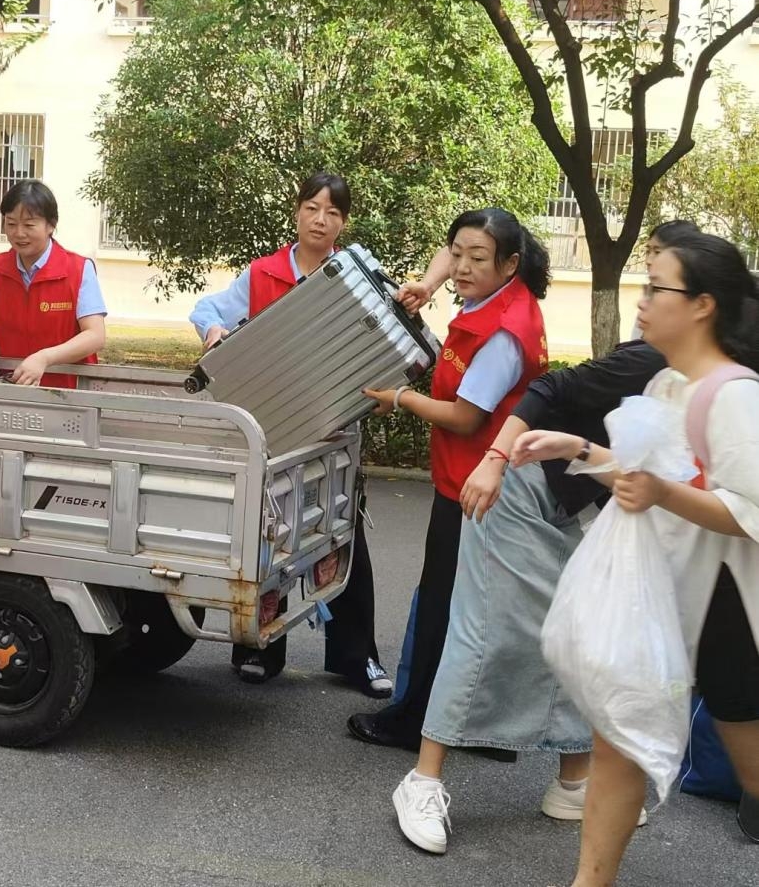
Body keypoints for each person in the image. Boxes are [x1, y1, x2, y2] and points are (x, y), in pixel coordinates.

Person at [512, 232, 759, 887]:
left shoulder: (733, 395)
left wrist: (659, 491)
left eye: (655, 288)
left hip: (729, 615)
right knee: (614, 743)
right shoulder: (666, 380)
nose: (642, 300)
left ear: (701, 304)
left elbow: (747, 511)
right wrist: (576, 449)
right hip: (671, 599)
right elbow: (644, 475)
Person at [387, 331, 666, 854]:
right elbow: (551, 388)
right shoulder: (655, 358)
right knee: (489, 629)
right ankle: (422, 781)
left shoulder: (711, 387)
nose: (646, 304)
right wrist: (493, 460)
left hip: (575, 502)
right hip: (518, 485)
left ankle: (573, 784)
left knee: (575, 636)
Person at [349, 208, 551, 749]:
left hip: (475, 489)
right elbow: (451, 257)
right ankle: (484, 728)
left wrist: (403, 398)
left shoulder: (505, 334)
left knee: (442, 605)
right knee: (481, 607)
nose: (462, 266)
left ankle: (415, 722)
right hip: (480, 483)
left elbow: (466, 417)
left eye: (476, 259)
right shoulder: (499, 300)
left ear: (509, 264)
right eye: (457, 253)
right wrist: (431, 281)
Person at [188, 171, 391, 694]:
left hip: (332, 429)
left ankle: (356, 656)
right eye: (312, 208)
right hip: (272, 428)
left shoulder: (354, 278)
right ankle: (258, 649)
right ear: (297, 213)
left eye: (333, 212)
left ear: (343, 222)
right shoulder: (262, 274)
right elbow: (207, 309)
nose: (321, 220)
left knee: (343, 535)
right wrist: (214, 331)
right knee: (267, 538)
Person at [0, 180, 106, 387]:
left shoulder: (78, 269)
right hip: (15, 391)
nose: (19, 233)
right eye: (10, 223)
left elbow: (95, 335)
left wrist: (44, 358)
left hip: (70, 394)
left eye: (29, 225)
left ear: (51, 225)